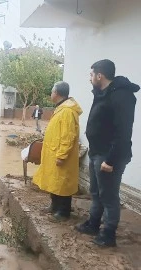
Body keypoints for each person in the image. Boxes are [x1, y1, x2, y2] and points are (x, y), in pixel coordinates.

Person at [75, 59, 139, 247]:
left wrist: (110, 160)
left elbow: (124, 132)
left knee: (109, 196)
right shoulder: (103, 93)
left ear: (99, 75)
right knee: (96, 192)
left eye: (91, 74)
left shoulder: (121, 96)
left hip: (110, 156)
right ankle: (93, 224)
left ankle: (108, 234)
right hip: (97, 153)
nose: (90, 78)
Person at [33, 81, 82, 222]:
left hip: (60, 155)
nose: (50, 94)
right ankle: (54, 206)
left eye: (52, 91)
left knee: (62, 184)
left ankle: (63, 212)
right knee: (54, 182)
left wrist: (62, 155)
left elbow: (68, 136)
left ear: (57, 93)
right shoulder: (61, 108)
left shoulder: (67, 111)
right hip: (53, 152)